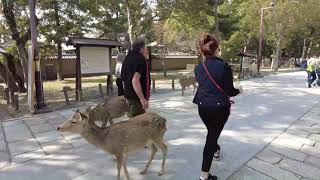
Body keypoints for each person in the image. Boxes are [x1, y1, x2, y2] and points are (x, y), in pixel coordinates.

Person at [193, 33, 242, 180]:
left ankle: (215, 149)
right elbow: (229, 90)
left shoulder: (198, 68)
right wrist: (239, 90)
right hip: (219, 108)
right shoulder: (224, 66)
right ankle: (204, 176)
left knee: (212, 133)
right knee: (211, 138)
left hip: (202, 107)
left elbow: (204, 86)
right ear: (216, 50)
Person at [121, 38, 151, 118]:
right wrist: (142, 99)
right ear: (141, 49)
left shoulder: (127, 58)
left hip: (129, 97)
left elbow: (124, 79)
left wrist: (126, 95)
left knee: (135, 122)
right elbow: (135, 80)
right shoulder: (140, 59)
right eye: (145, 49)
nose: (146, 51)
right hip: (136, 99)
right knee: (136, 126)